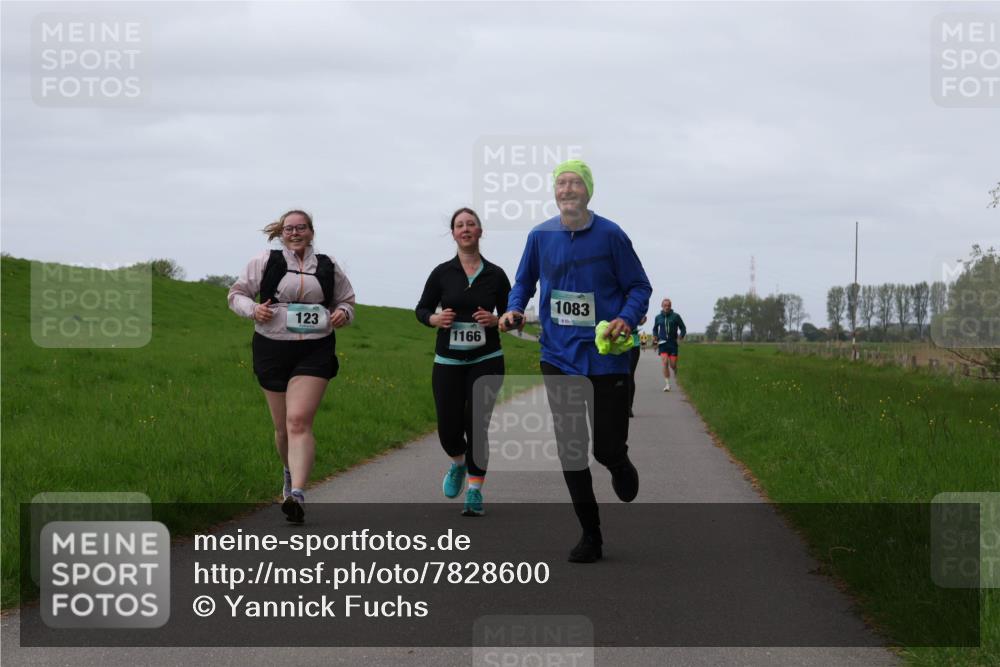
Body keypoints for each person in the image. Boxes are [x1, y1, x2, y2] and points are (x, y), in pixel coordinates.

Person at [499, 160, 651, 563]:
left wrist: (626, 317)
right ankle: (591, 535)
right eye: (561, 183)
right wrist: (515, 309)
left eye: (575, 183)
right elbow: (523, 282)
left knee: (604, 447)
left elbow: (639, 286)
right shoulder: (540, 236)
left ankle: (618, 462)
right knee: (571, 448)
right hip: (558, 355)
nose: (567, 189)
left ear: (588, 191)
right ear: (555, 192)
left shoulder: (612, 235)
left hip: (609, 357)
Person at [228, 210, 356, 523]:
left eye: (301, 228)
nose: (295, 233)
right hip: (271, 348)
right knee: (283, 427)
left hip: (315, 348)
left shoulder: (328, 265)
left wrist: (342, 314)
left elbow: (347, 301)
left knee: (298, 421)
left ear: (311, 232)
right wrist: (253, 310)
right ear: (281, 233)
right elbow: (236, 294)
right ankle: (288, 474)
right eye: (289, 229)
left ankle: (297, 493)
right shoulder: (264, 261)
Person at [416, 208, 510, 517]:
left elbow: (513, 315)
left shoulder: (496, 274)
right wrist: (435, 318)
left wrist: (497, 320)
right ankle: (458, 463)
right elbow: (422, 308)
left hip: (487, 359)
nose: (466, 229)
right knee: (448, 428)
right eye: (460, 225)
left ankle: (474, 490)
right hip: (448, 360)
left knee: (477, 425)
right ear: (453, 234)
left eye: (471, 224)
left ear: (480, 232)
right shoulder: (442, 273)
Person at [652, 298, 686, 391]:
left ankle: (675, 369)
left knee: (672, 365)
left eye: (668, 305)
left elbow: (683, 328)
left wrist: (680, 337)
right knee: (665, 362)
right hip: (662, 343)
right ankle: (667, 385)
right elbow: (655, 329)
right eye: (665, 305)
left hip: (673, 344)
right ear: (662, 306)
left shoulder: (676, 316)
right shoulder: (658, 317)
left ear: (671, 306)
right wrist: (655, 336)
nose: (667, 307)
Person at [627, 315, 647, 417]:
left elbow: (642, 319)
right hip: (615, 341)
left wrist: (641, 319)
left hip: (633, 342)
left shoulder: (633, 301)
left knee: (630, 375)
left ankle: (629, 407)